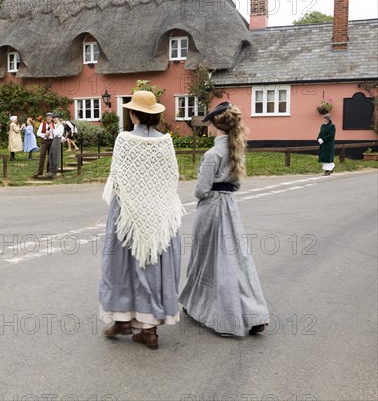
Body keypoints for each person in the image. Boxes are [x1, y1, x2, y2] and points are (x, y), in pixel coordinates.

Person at [99, 91, 186, 350]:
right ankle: (148, 330)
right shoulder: (166, 142)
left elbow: (118, 179)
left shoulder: (124, 139)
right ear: (156, 115)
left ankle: (123, 318)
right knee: (153, 267)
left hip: (128, 213)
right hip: (159, 213)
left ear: (134, 113)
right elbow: (171, 179)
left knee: (121, 266)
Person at [178, 102, 269, 337]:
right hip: (229, 207)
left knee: (206, 258)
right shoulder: (236, 151)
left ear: (216, 126)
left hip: (210, 209)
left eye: (209, 124)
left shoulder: (212, 154)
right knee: (235, 260)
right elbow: (236, 184)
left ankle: (203, 305)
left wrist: (205, 190)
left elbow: (201, 190)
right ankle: (253, 312)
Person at [33, 112, 55, 178]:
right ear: (46, 118)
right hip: (44, 141)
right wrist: (44, 135)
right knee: (42, 155)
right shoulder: (42, 124)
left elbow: (57, 133)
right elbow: (38, 133)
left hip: (52, 141)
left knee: (50, 156)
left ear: (52, 118)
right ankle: (40, 171)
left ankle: (49, 171)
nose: (49, 118)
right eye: (48, 117)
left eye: (50, 117)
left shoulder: (55, 125)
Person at [46, 114, 65, 178]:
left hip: (57, 141)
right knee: (51, 155)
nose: (53, 120)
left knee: (56, 156)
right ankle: (51, 170)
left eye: (54, 118)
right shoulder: (56, 125)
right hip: (54, 140)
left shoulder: (60, 126)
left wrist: (51, 128)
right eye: (53, 118)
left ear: (58, 118)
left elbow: (56, 133)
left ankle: (54, 171)